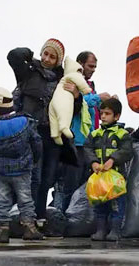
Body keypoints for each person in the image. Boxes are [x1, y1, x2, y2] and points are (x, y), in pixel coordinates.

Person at [8, 39, 74, 223]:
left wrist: (76, 95)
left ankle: (40, 217)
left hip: (52, 134)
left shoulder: (64, 80)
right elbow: (13, 55)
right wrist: (30, 55)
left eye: (52, 57)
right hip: (30, 131)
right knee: (32, 177)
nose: (47, 59)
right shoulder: (28, 72)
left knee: (48, 177)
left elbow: (74, 109)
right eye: (45, 53)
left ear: (58, 61)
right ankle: (26, 217)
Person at [0, 87, 44, 243]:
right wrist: (34, 160)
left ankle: (2, 230)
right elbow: (37, 143)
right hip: (22, 169)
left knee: (2, 200)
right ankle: (29, 228)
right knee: (25, 199)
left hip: (1, 171)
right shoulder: (25, 122)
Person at [58, 51, 110, 212]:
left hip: (88, 142)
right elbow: (73, 102)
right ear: (80, 64)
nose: (93, 70)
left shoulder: (89, 86)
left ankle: (77, 219)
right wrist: (98, 98)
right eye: (90, 66)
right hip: (75, 141)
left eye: (95, 67)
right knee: (68, 184)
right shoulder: (70, 80)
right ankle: (61, 219)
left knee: (83, 183)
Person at [85, 98, 133, 242]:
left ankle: (115, 231)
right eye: (102, 113)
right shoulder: (95, 134)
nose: (103, 116)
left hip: (116, 180)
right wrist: (93, 162)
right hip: (99, 179)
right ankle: (100, 231)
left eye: (107, 113)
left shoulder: (122, 134)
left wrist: (113, 159)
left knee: (117, 206)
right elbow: (87, 149)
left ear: (116, 116)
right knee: (100, 206)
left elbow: (127, 151)